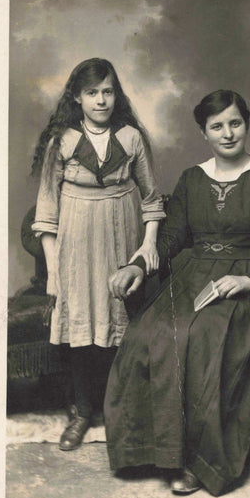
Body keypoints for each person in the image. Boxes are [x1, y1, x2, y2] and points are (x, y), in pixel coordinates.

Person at [104, 90, 250, 497]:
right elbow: (172, 240)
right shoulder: (192, 179)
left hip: (245, 282)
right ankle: (152, 449)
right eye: (217, 126)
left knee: (202, 341)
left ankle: (199, 460)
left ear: (246, 124)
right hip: (191, 276)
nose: (228, 133)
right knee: (152, 334)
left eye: (235, 123)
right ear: (204, 132)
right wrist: (137, 265)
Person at [31, 58, 165, 451]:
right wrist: (54, 271)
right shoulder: (63, 142)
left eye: (107, 91)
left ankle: (121, 412)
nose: (101, 100)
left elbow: (153, 200)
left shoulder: (132, 139)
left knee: (119, 327)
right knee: (82, 332)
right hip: (76, 248)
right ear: (77, 97)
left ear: (116, 94)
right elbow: (46, 212)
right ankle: (82, 413)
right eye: (92, 93)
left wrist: (148, 245)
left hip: (122, 242)